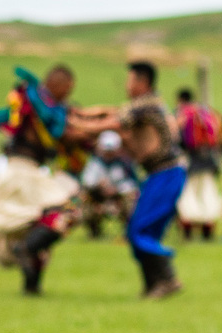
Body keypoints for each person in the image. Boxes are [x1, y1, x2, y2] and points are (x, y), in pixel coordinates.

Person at [74, 62, 187, 298]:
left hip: (167, 173)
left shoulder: (146, 105)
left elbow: (114, 122)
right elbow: (111, 112)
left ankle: (167, 279)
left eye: (130, 80)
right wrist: (81, 114)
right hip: (159, 174)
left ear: (142, 82)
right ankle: (154, 285)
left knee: (138, 229)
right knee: (142, 231)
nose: (127, 85)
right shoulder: (142, 105)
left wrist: (77, 124)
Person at [0, 65, 82, 294]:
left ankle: (31, 286)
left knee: (42, 226)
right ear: (58, 84)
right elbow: (62, 132)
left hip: (28, 172)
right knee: (68, 210)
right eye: (68, 89)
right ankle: (25, 251)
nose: (68, 94)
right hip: (22, 174)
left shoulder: (45, 106)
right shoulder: (38, 106)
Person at [174, 88, 222, 241]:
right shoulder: (204, 112)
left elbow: (178, 139)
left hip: (191, 159)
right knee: (208, 193)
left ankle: (188, 228)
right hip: (208, 159)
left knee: (188, 194)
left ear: (180, 100)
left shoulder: (182, 115)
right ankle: (207, 227)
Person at [79, 129, 139, 238]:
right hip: (98, 198)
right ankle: (94, 232)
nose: (109, 153)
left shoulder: (125, 164)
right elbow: (86, 182)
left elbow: (132, 184)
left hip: (118, 198)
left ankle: (129, 231)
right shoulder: (94, 162)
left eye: (112, 150)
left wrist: (116, 189)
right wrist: (99, 186)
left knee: (132, 197)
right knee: (84, 197)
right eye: (107, 150)